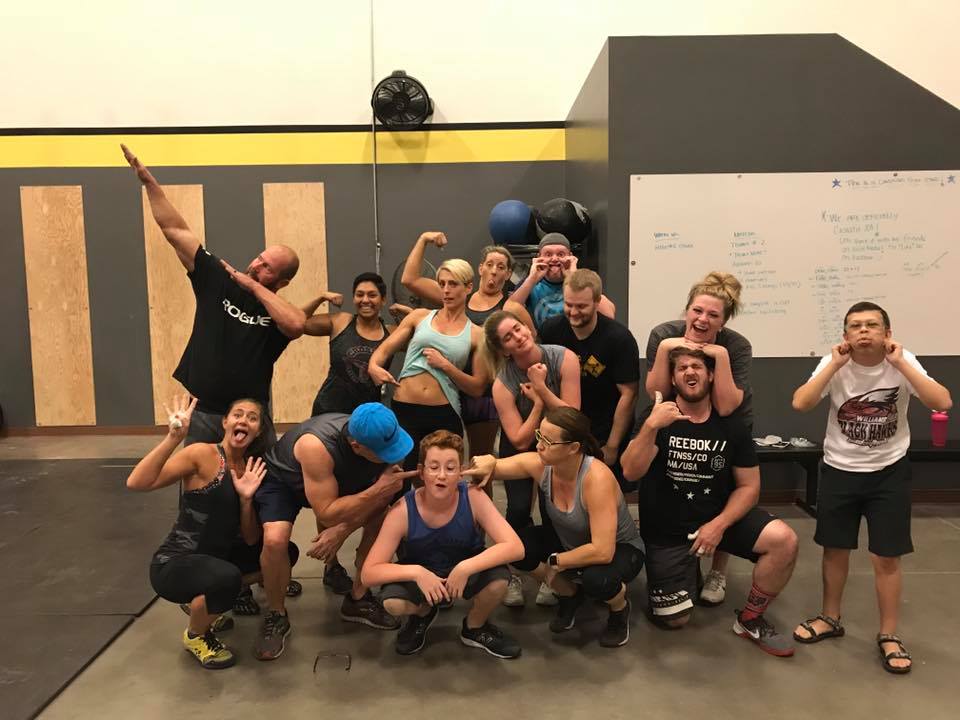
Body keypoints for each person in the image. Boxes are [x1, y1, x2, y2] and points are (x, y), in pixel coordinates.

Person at [790, 302, 952, 674]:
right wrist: (833, 364)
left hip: (888, 472)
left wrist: (901, 364)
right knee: (835, 549)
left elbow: (942, 401)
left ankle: (889, 634)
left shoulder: (903, 362)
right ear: (846, 335)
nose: (864, 331)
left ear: (887, 333)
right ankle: (830, 618)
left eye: (872, 325)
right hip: (839, 470)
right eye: (856, 326)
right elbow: (801, 403)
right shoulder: (835, 363)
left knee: (887, 557)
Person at [121, 144, 305, 445]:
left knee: (261, 475)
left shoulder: (278, 311)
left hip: (250, 415)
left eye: (267, 268)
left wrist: (253, 287)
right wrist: (148, 182)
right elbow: (175, 230)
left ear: (282, 282)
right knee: (198, 473)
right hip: (204, 410)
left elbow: (297, 325)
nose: (256, 266)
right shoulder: (219, 280)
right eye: (259, 258)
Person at [621, 347, 798, 657]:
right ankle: (684, 569)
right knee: (675, 620)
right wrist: (651, 427)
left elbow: (749, 487)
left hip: (717, 520)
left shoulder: (731, 425)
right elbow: (630, 471)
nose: (690, 372)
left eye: (697, 366)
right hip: (668, 530)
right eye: (682, 368)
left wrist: (718, 525)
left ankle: (750, 619)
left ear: (711, 375)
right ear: (673, 379)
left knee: (784, 540)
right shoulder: (656, 417)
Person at [127, 395, 298, 669]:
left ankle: (207, 602)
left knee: (283, 552)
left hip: (217, 559)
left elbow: (251, 538)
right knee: (227, 579)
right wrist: (173, 438)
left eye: (252, 418)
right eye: (238, 414)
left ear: (258, 431)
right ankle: (196, 635)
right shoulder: (202, 454)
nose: (244, 420)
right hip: (175, 562)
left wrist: (246, 500)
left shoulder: (250, 468)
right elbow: (137, 482)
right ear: (225, 422)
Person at [253, 404, 417, 660]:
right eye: (385, 453)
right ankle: (276, 613)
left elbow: (383, 498)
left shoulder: (388, 435)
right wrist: (373, 492)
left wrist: (342, 530)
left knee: (382, 517)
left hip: (333, 479)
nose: (394, 455)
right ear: (356, 445)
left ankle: (358, 598)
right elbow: (327, 512)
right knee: (275, 540)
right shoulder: (316, 446)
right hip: (285, 482)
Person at [471, 408, 645, 647]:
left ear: (573, 448)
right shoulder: (543, 464)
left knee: (597, 580)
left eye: (548, 441)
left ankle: (619, 608)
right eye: (539, 436)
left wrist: (557, 562)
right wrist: (487, 461)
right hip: (571, 542)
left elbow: (603, 551)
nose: (539, 445)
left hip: (618, 549)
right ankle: (570, 595)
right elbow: (496, 467)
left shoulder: (597, 479)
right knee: (518, 549)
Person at [361, 430, 524, 658]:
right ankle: (423, 612)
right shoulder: (402, 510)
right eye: (434, 467)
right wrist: (417, 573)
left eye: (450, 468)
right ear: (421, 472)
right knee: (393, 603)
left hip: (466, 567)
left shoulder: (473, 496)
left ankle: (474, 627)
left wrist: (466, 567)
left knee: (498, 582)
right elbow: (368, 573)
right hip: (423, 571)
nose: (442, 475)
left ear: (461, 472)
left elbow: (516, 547)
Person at [644, 271, 750, 606]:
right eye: (697, 311)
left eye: (713, 315)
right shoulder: (664, 335)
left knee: (725, 492)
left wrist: (719, 355)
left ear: (723, 321)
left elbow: (727, 405)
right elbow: (657, 394)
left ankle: (718, 571)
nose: (703, 319)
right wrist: (667, 349)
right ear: (687, 309)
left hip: (724, 423)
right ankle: (681, 554)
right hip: (677, 417)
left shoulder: (736, 346)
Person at [302, 272, 408, 595]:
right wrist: (320, 297)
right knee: (330, 492)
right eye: (360, 294)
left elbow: (425, 331)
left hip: (368, 424)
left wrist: (408, 316)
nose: (365, 300)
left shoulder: (391, 332)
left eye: (372, 295)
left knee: (369, 490)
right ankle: (331, 564)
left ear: (383, 300)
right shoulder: (340, 322)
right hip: (328, 413)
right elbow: (297, 323)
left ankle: (367, 556)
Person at [401, 231, 534, 463]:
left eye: (501, 267)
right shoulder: (456, 293)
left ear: (508, 274)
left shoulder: (510, 308)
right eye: (489, 264)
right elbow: (410, 280)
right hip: (445, 390)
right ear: (480, 268)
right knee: (433, 457)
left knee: (479, 461)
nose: (494, 271)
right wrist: (423, 239)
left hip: (483, 394)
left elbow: (531, 344)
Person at [480, 309, 580, 607]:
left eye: (518, 328)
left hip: (559, 446)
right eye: (507, 338)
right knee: (519, 507)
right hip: (522, 447)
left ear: (528, 327)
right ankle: (512, 570)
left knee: (554, 511)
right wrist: (537, 404)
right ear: (503, 350)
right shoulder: (503, 383)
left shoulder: (563, 358)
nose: (518, 337)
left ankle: (554, 573)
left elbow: (573, 420)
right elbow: (520, 439)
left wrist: (541, 388)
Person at [369, 258, 488, 470]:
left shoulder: (477, 334)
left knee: (443, 476)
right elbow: (385, 350)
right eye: (442, 284)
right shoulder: (419, 316)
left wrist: (446, 366)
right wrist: (374, 367)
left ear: (469, 287)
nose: (446, 290)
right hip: (405, 408)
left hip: (443, 411)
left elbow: (477, 387)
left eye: (453, 284)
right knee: (401, 476)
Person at [540, 269, 640, 490]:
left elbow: (629, 395)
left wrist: (612, 445)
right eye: (568, 304)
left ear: (597, 302)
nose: (574, 312)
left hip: (605, 429)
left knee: (604, 492)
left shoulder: (619, 339)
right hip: (565, 430)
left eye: (581, 306)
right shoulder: (551, 330)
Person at [508, 233, 615, 330]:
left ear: (571, 257)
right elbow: (509, 310)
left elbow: (609, 315)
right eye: (548, 254)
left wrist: (573, 277)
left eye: (561, 254)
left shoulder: (585, 281)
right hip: (542, 342)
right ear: (538, 257)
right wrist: (532, 278)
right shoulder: (529, 284)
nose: (554, 259)